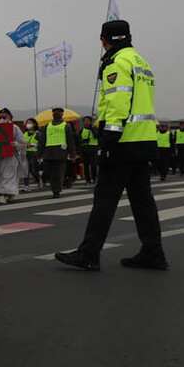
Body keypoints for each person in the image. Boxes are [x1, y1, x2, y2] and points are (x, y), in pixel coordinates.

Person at [55, 19, 168, 271]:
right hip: (143, 140)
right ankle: (153, 252)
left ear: (103, 41)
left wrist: (108, 140)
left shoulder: (116, 62)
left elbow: (117, 104)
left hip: (122, 142)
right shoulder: (140, 61)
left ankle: (88, 254)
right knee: (142, 200)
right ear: (129, 36)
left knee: (104, 199)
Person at [0, 108, 27, 204]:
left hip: (10, 157)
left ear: (10, 117)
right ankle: (9, 193)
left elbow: (22, 142)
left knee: (7, 175)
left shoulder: (15, 128)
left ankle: (5, 195)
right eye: (0, 117)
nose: (2, 118)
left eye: (4, 116)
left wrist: (15, 144)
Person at [37, 107, 77, 198]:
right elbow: (42, 141)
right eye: (55, 112)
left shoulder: (66, 126)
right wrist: (39, 154)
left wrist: (72, 155)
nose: (56, 114)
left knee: (58, 173)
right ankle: (55, 186)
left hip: (60, 153)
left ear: (62, 114)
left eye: (58, 112)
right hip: (48, 153)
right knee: (48, 173)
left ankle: (56, 190)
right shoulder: (47, 126)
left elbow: (70, 141)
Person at [23, 117, 42, 190]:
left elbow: (41, 144)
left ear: (34, 124)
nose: (28, 124)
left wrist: (32, 144)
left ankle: (38, 179)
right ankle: (26, 185)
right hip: (25, 153)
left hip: (33, 153)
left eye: (30, 123)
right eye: (27, 123)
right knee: (25, 169)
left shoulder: (38, 134)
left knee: (32, 169)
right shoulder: (25, 133)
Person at [80, 116, 100, 185]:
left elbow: (97, 136)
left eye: (88, 120)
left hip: (93, 148)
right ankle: (87, 179)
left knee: (93, 164)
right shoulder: (81, 130)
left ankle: (94, 178)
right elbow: (78, 140)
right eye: (85, 121)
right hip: (85, 148)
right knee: (85, 165)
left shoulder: (94, 129)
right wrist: (83, 141)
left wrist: (91, 129)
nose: (86, 122)